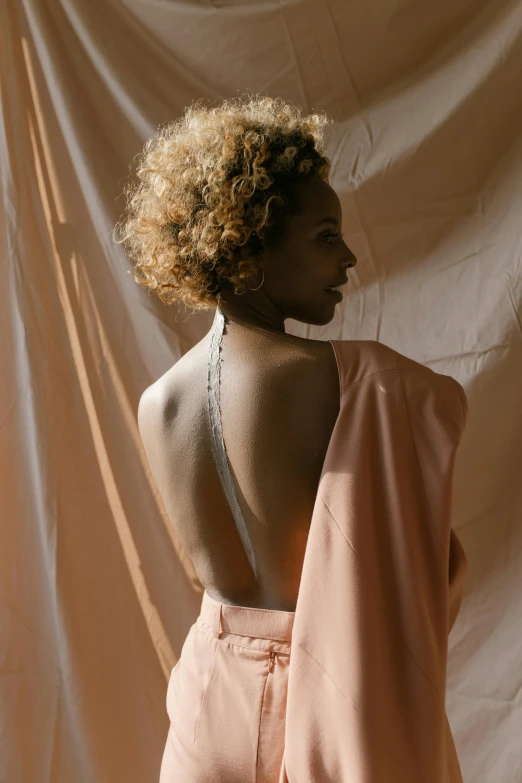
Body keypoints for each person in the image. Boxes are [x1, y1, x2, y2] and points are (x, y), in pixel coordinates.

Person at [113, 95, 469, 782]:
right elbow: (434, 565)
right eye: (325, 235)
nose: (349, 257)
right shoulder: (356, 380)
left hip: (207, 703)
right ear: (250, 241)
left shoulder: (157, 402)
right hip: (330, 694)